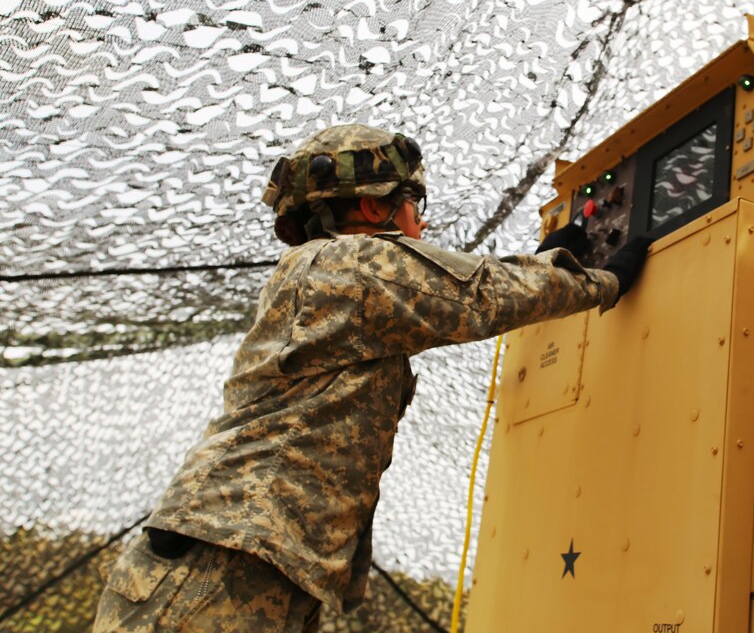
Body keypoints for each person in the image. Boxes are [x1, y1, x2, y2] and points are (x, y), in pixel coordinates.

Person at [94, 124, 651, 631]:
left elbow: (463, 291)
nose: (423, 221)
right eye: (415, 202)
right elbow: (475, 296)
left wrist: (543, 265)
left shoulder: (327, 274)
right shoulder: (346, 264)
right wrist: (603, 280)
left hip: (249, 562)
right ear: (371, 205)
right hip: (226, 563)